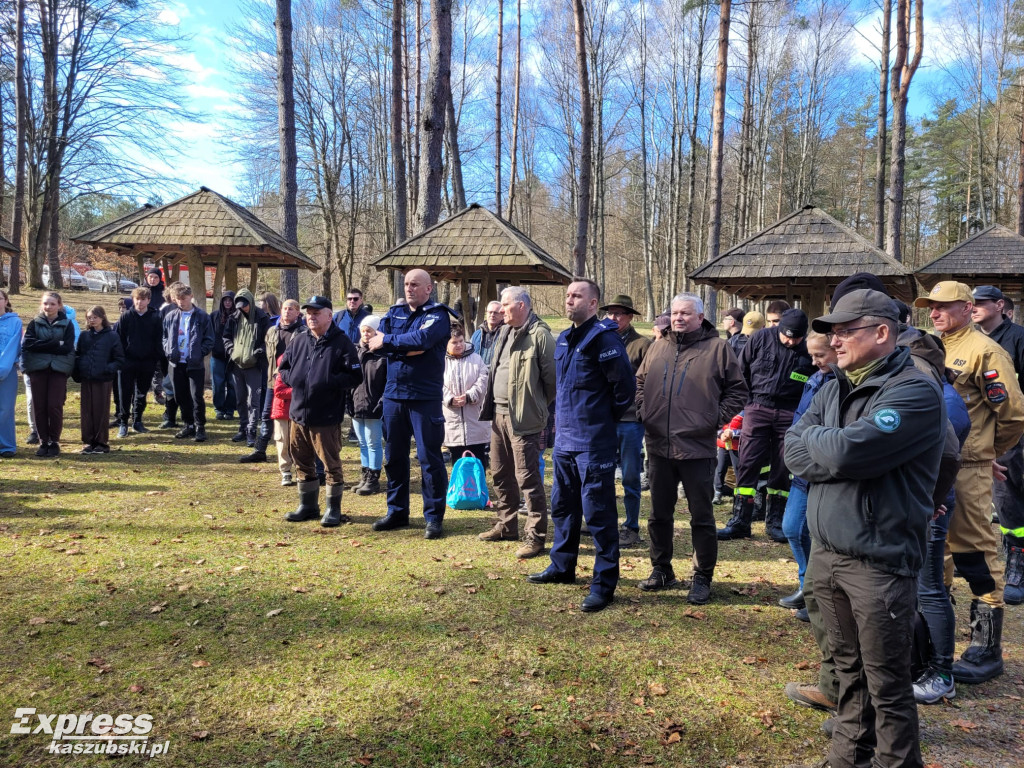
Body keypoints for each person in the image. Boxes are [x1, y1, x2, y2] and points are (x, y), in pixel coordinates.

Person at [784, 289, 945, 768]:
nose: (833, 341)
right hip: (828, 553)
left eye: (844, 332)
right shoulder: (834, 385)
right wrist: (830, 446)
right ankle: (847, 758)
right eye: (831, 333)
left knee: (887, 685)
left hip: (879, 561)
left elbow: (846, 453)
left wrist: (827, 446)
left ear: (881, 332)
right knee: (849, 674)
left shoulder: (913, 391)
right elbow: (792, 450)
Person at [915, 280, 1024, 684]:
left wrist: (988, 453)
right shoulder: (929, 345)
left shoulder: (985, 351)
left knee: (973, 549)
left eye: (944, 306)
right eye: (931, 306)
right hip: (931, 464)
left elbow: (1011, 414)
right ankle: (934, 641)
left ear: (966, 307)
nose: (935, 312)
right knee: (934, 553)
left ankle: (986, 647)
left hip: (968, 467)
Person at [526, 279, 635, 613]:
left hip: (593, 442)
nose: (569, 300)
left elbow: (624, 389)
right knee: (563, 507)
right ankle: (562, 566)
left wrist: (600, 419)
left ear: (593, 303)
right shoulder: (564, 338)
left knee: (599, 513)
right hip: (565, 440)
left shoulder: (604, 339)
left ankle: (604, 584)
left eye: (576, 295)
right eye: (567, 295)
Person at [635, 292, 747, 604]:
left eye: (685, 313)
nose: (678, 318)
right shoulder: (658, 346)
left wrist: (714, 419)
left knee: (701, 516)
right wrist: (644, 411)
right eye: (675, 313)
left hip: (697, 448)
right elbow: (640, 382)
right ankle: (661, 569)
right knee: (659, 514)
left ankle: (702, 576)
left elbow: (738, 391)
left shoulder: (718, 348)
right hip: (658, 445)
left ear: (700, 317)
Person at [368, 269, 452, 539]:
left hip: (424, 398)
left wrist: (390, 341)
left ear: (429, 288)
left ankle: (434, 517)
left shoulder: (438, 315)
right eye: (406, 284)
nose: (409, 288)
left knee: (429, 459)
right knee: (394, 458)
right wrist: (398, 345)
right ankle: (397, 511)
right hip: (394, 396)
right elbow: (375, 344)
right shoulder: (395, 313)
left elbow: (423, 340)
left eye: (415, 284)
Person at [719, 307, 814, 542]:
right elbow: (741, 372)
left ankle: (775, 522)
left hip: (790, 412)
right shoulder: (760, 338)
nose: (790, 342)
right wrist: (748, 405)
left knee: (783, 467)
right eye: (787, 336)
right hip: (757, 407)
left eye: (796, 338)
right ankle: (740, 521)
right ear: (779, 328)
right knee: (748, 462)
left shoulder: (808, 348)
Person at [478, 287, 556, 559]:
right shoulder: (504, 331)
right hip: (497, 415)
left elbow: (552, 382)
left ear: (522, 305)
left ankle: (535, 536)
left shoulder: (540, 336)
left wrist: (533, 407)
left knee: (528, 478)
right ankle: (507, 525)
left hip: (523, 419)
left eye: (506, 304)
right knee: (500, 473)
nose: (501, 309)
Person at [278, 296, 361, 526]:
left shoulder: (341, 342)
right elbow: (283, 367)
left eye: (316, 313)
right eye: (309, 313)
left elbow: (355, 376)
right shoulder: (299, 339)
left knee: (330, 464)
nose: (311, 317)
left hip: (325, 416)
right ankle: (308, 506)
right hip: (298, 414)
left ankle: (333, 509)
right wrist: (294, 378)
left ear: (329, 315)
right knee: (301, 461)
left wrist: (327, 381)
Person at [972, 285, 1024, 605]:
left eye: (981, 302)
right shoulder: (970, 341)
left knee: (1011, 494)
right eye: (972, 302)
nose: (974, 307)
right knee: (995, 498)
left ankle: (1018, 562)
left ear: (999, 305)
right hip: (980, 434)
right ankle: (1003, 558)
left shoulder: (1018, 338)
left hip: (1014, 433)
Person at [778, 331, 836, 617]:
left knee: (819, 535)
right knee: (792, 527)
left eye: (820, 355)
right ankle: (806, 585)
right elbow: (800, 420)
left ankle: (819, 595)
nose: (814, 362)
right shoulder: (814, 379)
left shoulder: (842, 384)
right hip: (803, 468)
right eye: (811, 356)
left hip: (825, 469)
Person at [599, 294, 651, 550]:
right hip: (603, 419)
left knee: (630, 477)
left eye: (619, 313)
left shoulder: (642, 345)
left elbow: (649, 382)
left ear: (630, 317)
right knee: (601, 474)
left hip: (630, 420)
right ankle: (602, 521)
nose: (614, 317)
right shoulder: (600, 339)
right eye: (610, 313)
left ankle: (631, 526)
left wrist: (641, 411)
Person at [240, 298, 305, 468]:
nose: (287, 311)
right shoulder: (272, 331)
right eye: (285, 308)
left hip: (294, 382)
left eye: (291, 309)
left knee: (294, 418)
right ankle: (260, 450)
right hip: (273, 381)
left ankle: (295, 454)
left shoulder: (303, 333)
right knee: (267, 414)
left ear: (298, 312)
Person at [22, 292, 76, 457]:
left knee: (54, 405)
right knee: (39, 406)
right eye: (46, 303)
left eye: (52, 304)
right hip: (38, 369)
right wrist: (55, 343)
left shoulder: (67, 324)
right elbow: (29, 344)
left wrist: (43, 345)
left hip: (58, 369)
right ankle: (43, 441)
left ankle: (54, 441)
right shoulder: (34, 323)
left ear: (59, 305)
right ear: (42, 304)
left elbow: (67, 347)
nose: (49, 307)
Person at [162, 283, 214, 442]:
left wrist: (199, 353)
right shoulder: (170, 316)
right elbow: (164, 337)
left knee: (196, 396)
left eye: (184, 298)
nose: (181, 301)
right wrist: (168, 351)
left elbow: (209, 339)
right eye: (178, 299)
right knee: (180, 395)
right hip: (176, 363)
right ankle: (188, 424)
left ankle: (200, 426)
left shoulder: (202, 316)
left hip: (194, 364)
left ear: (191, 297)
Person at [223, 289, 271, 447]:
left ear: (250, 302)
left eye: (245, 306)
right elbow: (226, 337)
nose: (242, 309)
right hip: (237, 364)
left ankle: (251, 431)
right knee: (240, 399)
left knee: (253, 401)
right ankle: (243, 428)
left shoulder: (262, 318)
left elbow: (269, 339)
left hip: (254, 366)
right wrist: (231, 350)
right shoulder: (234, 317)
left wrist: (260, 351)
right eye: (240, 306)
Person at [74, 306, 125, 454]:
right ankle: (88, 441)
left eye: (95, 317)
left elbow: (119, 359)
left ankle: (101, 442)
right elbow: (78, 354)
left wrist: (107, 369)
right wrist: (79, 370)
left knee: (100, 411)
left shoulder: (112, 336)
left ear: (102, 318)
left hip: (103, 379)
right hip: (87, 378)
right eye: (89, 317)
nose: (92, 320)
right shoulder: (84, 336)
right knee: (86, 411)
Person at [115, 286, 162, 437]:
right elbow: (119, 339)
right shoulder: (126, 316)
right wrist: (122, 358)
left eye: (143, 299)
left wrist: (155, 357)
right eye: (137, 299)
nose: (139, 303)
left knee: (141, 393)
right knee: (125, 393)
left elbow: (159, 339)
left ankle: (138, 420)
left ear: (148, 300)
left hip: (147, 362)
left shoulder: (156, 317)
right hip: (127, 361)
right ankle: (123, 422)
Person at [442, 328, 490, 464]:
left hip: (475, 420)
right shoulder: (440, 361)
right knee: (459, 462)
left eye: (461, 341)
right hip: (452, 420)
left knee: (478, 462)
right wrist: (450, 399)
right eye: (454, 342)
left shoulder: (476, 359)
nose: (459, 345)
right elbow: (436, 383)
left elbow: (483, 380)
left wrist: (469, 396)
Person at [352, 315, 386, 495]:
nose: (365, 334)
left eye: (369, 331)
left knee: (373, 442)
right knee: (362, 442)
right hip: (357, 404)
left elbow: (388, 381)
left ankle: (373, 478)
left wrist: (382, 402)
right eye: (363, 331)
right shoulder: (355, 351)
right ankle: (365, 475)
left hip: (374, 405)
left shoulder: (383, 354)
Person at [0, 289, 21, 458]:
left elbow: (13, 347)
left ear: (6, 301)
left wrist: (2, 369)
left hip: (7, 372)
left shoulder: (15, 322)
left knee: (5, 409)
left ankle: (6, 446)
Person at [210, 292, 238, 421]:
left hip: (234, 356)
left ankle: (230, 409)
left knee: (232, 384)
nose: (227, 302)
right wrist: (212, 347)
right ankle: (219, 409)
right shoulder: (214, 316)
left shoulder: (238, 316)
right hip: (217, 355)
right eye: (225, 300)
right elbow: (209, 333)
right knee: (218, 384)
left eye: (230, 300)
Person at [470, 301, 504, 366]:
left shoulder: (506, 335)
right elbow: (469, 355)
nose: (492, 315)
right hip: (478, 371)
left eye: (496, 313)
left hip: (497, 371)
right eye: (490, 312)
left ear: (502, 315)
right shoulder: (476, 334)